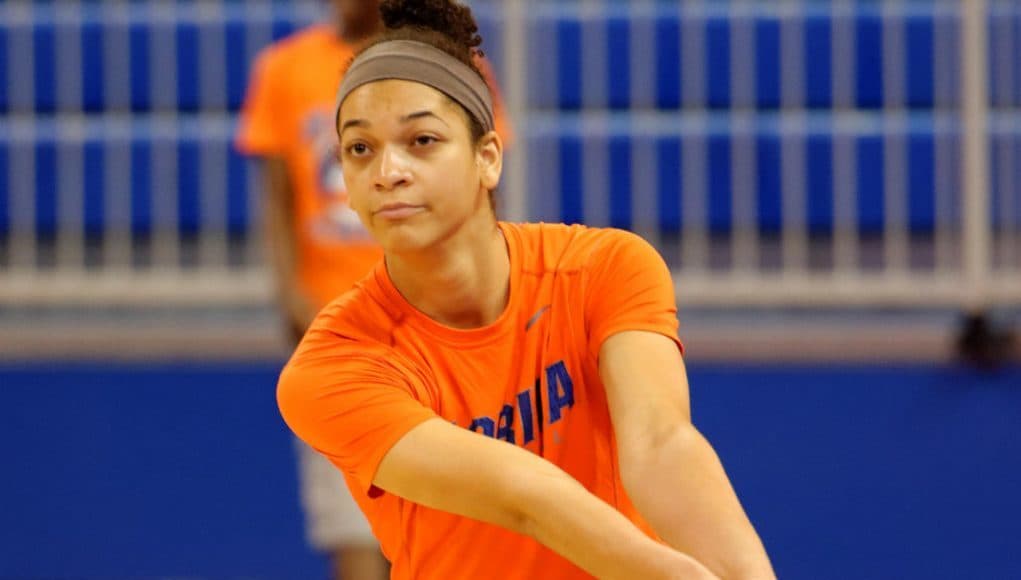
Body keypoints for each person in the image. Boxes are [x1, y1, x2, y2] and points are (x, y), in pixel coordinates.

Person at [278, 0, 776, 578]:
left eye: (422, 141)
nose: (388, 171)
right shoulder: (331, 367)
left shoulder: (605, 267)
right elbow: (526, 496)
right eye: (360, 149)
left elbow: (662, 444)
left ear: (487, 158)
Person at [236, 2, 510, 578]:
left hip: (439, 331)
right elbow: (278, 202)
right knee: (355, 528)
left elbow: (485, 202)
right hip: (343, 334)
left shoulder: (450, 63)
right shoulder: (284, 69)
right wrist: (292, 299)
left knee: (456, 530)